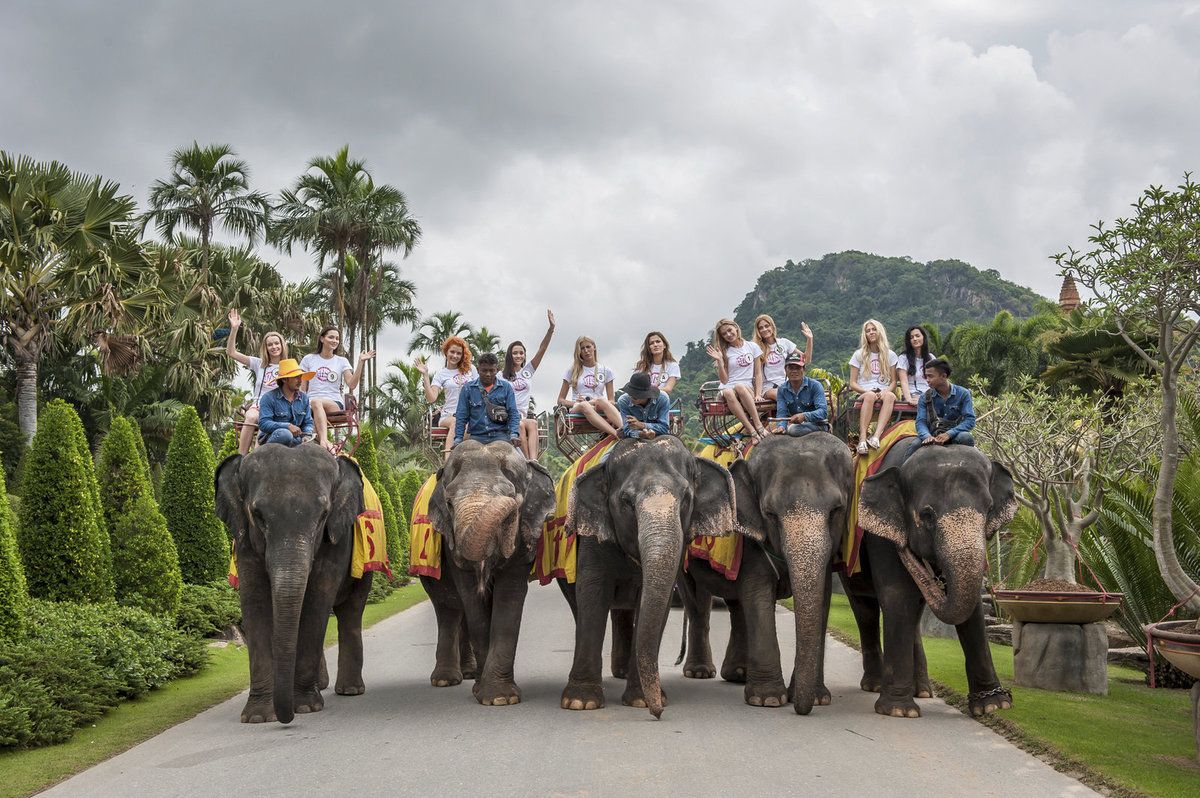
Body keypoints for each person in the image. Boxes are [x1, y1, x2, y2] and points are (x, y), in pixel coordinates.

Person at [225, 309, 289, 455]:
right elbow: (231, 352)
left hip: (279, 406)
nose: (274, 347)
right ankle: (241, 457)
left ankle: (257, 455)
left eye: (276, 344)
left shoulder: (289, 366)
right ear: (265, 348)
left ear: (282, 345)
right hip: (260, 404)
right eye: (270, 345)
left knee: (264, 422)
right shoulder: (258, 364)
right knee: (251, 416)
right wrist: (234, 329)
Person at [300, 327, 374, 452]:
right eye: (331, 337)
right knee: (309, 410)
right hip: (310, 404)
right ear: (322, 338)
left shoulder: (341, 361)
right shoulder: (308, 359)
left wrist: (361, 362)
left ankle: (323, 440)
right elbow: (302, 388)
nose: (334, 340)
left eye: (337, 338)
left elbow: (351, 384)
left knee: (316, 402)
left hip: (333, 402)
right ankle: (327, 446)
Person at [705, 317, 768, 443]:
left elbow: (758, 373)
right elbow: (724, 380)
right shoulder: (724, 352)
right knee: (728, 391)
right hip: (728, 388)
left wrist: (758, 394)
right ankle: (752, 430)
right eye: (724, 333)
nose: (728, 334)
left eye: (730, 330)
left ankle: (758, 424)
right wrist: (720, 362)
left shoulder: (752, 346)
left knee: (739, 387)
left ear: (736, 328)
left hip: (746, 388)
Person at [504, 310, 556, 460]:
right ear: (510, 355)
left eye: (521, 353)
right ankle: (526, 460)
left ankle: (534, 461)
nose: (519, 356)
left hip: (524, 415)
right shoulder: (502, 376)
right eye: (515, 353)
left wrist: (551, 329)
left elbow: (542, 349)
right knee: (519, 425)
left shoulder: (528, 371)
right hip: (510, 416)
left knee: (532, 423)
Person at [416, 336, 477, 457]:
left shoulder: (471, 370)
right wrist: (425, 376)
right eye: (452, 352)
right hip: (449, 416)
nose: (455, 356)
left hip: (470, 415)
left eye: (459, 353)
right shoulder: (441, 374)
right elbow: (432, 398)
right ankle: (448, 463)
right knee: (458, 422)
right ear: (446, 352)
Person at [908, 358, 976, 459]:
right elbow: (920, 421)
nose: (927, 380)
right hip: (932, 436)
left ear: (943, 376)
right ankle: (901, 473)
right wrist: (927, 436)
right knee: (915, 445)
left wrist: (949, 434)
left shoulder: (963, 393)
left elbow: (970, 420)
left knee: (966, 437)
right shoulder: (924, 397)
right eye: (926, 376)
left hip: (955, 435)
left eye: (930, 376)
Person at [848, 319, 898, 456]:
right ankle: (862, 439)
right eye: (868, 330)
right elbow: (852, 383)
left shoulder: (891, 355)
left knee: (891, 396)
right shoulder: (859, 354)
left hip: (883, 390)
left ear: (879, 331)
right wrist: (867, 391)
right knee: (870, 396)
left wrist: (885, 391)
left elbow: (893, 381)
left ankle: (876, 436)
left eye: (873, 329)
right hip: (865, 392)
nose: (871, 332)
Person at [557, 336, 622, 439]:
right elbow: (560, 400)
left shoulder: (606, 370)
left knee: (601, 400)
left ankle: (624, 429)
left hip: (597, 405)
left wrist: (593, 401)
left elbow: (611, 401)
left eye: (588, 347)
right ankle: (616, 434)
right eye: (582, 348)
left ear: (594, 348)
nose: (586, 351)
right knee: (584, 405)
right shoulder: (572, 371)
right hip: (578, 406)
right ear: (579, 352)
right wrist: (576, 403)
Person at [453, 353, 520, 448]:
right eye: (484, 370)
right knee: (454, 460)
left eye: (492, 370)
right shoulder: (468, 389)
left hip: (501, 437)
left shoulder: (506, 388)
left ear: (497, 370)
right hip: (476, 438)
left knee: (520, 461)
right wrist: (458, 439)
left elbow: (513, 413)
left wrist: (514, 435)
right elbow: (461, 416)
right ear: (478, 370)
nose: (488, 374)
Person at [752, 315, 814, 400]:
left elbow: (806, 360)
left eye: (767, 326)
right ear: (758, 331)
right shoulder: (757, 348)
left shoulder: (784, 343)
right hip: (769, 388)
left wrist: (809, 339)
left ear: (772, 326)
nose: (764, 329)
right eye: (761, 328)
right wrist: (758, 395)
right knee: (781, 394)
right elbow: (757, 373)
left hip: (788, 384)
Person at [256, 358, 315, 447]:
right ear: (284, 380)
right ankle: (265, 455)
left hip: (297, 439)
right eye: (296, 377)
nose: (300, 380)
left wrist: (307, 435)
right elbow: (264, 423)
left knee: (312, 445)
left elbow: (308, 422)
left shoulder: (304, 398)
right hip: (273, 437)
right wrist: (287, 426)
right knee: (285, 434)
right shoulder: (268, 398)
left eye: (300, 377)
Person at [770, 352, 828, 437]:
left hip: (817, 425)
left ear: (804, 369)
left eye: (798, 367)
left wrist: (804, 416)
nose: (794, 371)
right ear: (785, 370)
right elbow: (782, 413)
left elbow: (823, 412)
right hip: (799, 426)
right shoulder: (782, 389)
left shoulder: (815, 386)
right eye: (791, 368)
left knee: (793, 430)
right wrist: (781, 426)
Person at [617, 372, 672, 440]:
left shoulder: (663, 399)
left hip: (659, 436)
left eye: (635, 395)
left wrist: (642, 425)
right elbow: (627, 430)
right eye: (630, 393)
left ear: (646, 394)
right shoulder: (623, 401)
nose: (631, 397)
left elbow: (664, 428)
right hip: (635, 438)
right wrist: (641, 434)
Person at [897, 325, 937, 404]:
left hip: (929, 395)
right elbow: (903, 382)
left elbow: (935, 380)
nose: (915, 339)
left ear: (923, 338)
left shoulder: (931, 358)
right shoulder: (903, 358)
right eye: (911, 337)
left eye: (917, 336)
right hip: (912, 394)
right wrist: (909, 400)